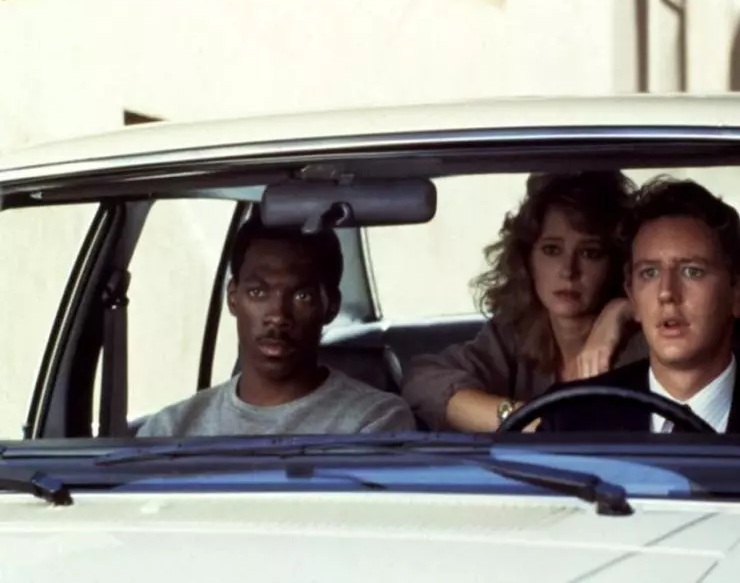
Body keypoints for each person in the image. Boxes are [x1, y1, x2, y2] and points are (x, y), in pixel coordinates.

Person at [401, 171, 648, 432]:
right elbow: (423, 383)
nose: (568, 270)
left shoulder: (646, 344)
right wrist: (528, 419)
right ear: (527, 259)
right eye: (552, 250)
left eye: (590, 252)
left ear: (617, 263)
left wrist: (622, 310)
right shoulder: (515, 335)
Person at [138, 210, 416, 437]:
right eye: (258, 292)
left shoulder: (374, 420)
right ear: (233, 298)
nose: (278, 316)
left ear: (331, 306)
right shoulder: (170, 430)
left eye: (302, 296)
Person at [539, 177, 740, 433]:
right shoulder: (569, 417)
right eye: (650, 273)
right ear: (632, 296)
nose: (666, 293)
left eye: (692, 271)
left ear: (736, 293)